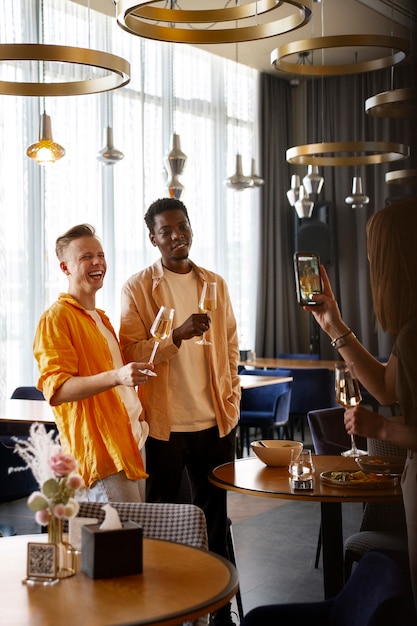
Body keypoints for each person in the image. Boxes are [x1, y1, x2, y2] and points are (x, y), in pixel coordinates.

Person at [119, 198, 241, 626]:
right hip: (165, 427)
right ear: (153, 238)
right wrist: (176, 335)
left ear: (191, 228)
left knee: (216, 520)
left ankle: (220, 612)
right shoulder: (138, 287)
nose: (176, 236)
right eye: (166, 231)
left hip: (215, 423)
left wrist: (232, 399)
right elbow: (130, 352)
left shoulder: (216, 284)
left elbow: (229, 347)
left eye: (182, 226)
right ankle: (166, 610)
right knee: (163, 523)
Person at [305, 197, 417, 610]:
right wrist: (332, 322)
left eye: (375, 257)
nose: (372, 267)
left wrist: (381, 429)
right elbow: (388, 388)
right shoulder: (409, 333)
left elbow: (386, 405)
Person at [33, 224, 153, 503]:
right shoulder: (56, 318)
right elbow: (58, 389)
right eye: (86, 256)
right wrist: (117, 376)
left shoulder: (101, 317)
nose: (97, 261)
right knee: (117, 541)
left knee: (134, 538)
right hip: (102, 451)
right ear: (65, 268)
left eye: (100, 254)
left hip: (133, 440)